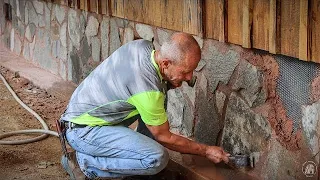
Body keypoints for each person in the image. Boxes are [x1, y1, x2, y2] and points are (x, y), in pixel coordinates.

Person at [60, 32, 230, 179]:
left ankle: (134, 164)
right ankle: (83, 162)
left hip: (82, 115)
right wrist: (206, 150)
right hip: (83, 131)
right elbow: (165, 137)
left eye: (192, 71)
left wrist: (172, 80)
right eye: (185, 71)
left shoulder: (142, 47)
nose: (189, 77)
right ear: (165, 63)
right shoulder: (148, 90)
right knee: (156, 158)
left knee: (162, 88)